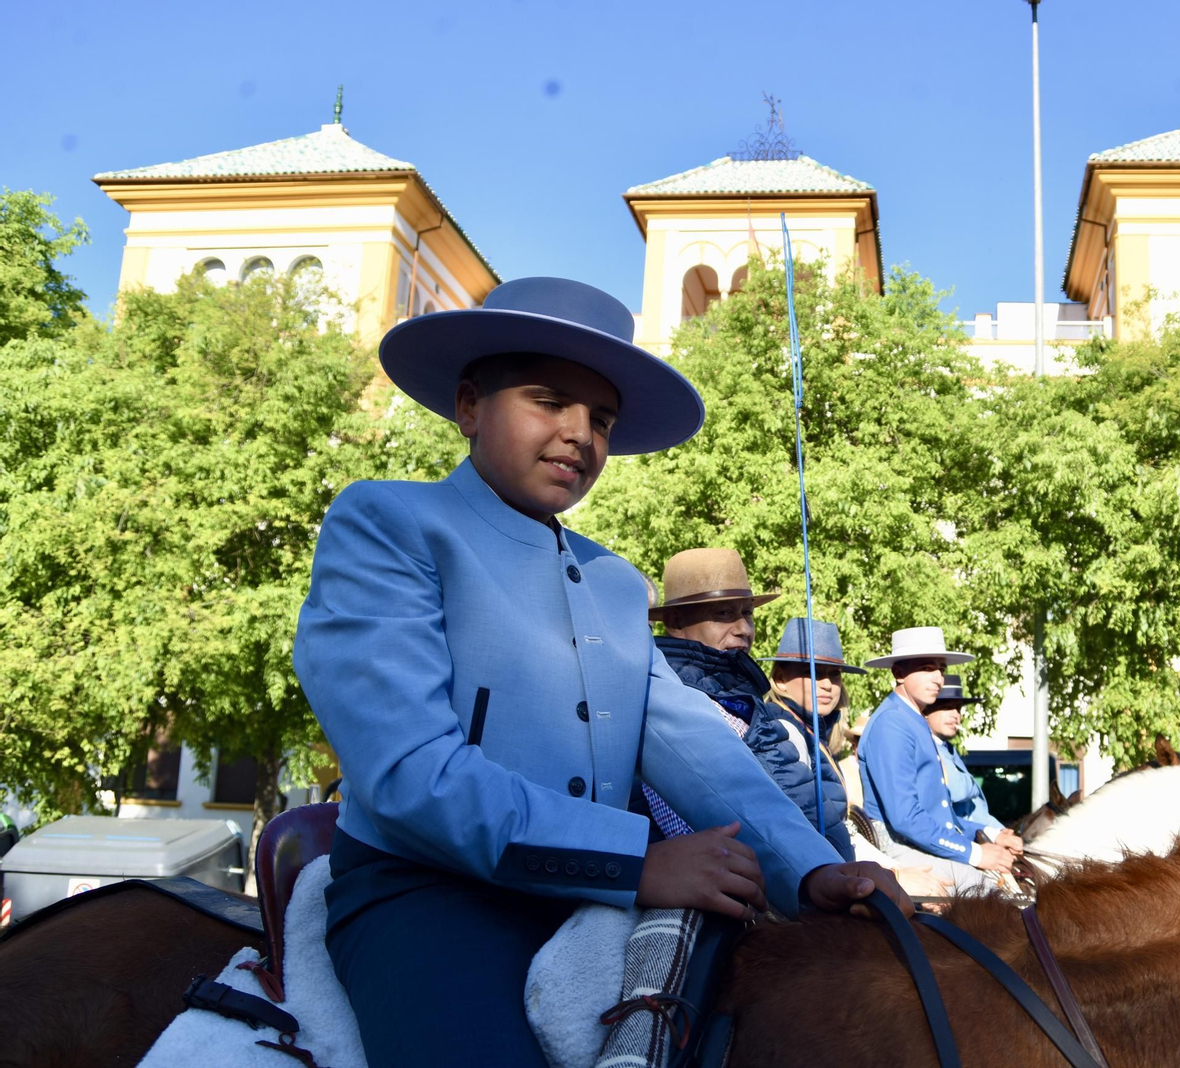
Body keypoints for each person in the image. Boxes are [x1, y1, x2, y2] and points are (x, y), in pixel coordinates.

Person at [293, 277, 908, 1067]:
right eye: (549, 401)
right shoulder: (389, 522)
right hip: (426, 891)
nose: (579, 434)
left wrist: (812, 868)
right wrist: (636, 861)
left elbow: (688, 741)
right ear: (470, 406)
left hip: (593, 894)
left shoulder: (615, 580)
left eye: (602, 419)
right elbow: (407, 774)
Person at [648, 549, 853, 859]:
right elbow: (706, 840)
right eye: (724, 613)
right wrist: (817, 875)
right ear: (675, 622)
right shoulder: (677, 703)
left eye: (747, 613)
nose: (744, 628)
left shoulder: (740, 699)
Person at [763, 618, 954, 899]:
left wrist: (894, 871)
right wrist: (894, 875)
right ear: (780, 679)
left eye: (834, 674)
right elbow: (809, 832)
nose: (827, 684)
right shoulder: (784, 732)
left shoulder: (812, 733)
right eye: (812, 672)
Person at [856, 627, 1015, 893]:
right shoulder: (892, 723)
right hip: (898, 848)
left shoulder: (911, 718)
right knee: (989, 892)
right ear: (898, 673)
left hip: (923, 842)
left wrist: (993, 834)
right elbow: (906, 818)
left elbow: (940, 815)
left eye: (941, 669)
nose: (938, 678)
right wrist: (975, 854)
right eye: (927, 668)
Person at [924, 674, 1024, 855]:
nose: (955, 715)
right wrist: (972, 784)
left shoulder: (948, 748)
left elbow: (971, 806)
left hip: (972, 837)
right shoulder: (925, 746)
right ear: (925, 712)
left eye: (958, 708)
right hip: (946, 844)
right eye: (946, 707)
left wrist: (998, 830)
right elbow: (958, 790)